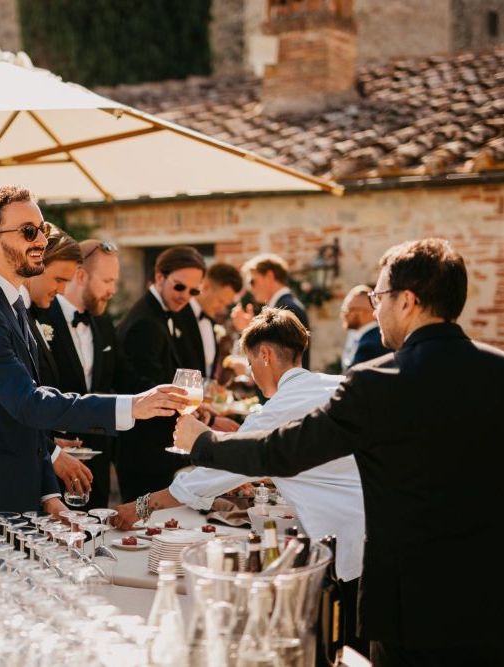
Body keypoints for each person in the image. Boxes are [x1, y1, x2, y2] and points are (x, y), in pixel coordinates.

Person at [174, 238, 504, 667]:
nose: (375, 307)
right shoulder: (497, 369)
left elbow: (284, 450)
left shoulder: (376, 382)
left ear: (407, 301)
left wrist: (202, 442)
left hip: (409, 607)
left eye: (379, 296)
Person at [0, 185, 188, 574]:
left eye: (41, 228)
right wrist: (131, 405)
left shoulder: (12, 306)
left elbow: (22, 421)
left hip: (13, 496)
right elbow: (28, 403)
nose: (41, 240)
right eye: (28, 231)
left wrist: (47, 491)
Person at [113, 307, 366, 652]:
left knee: (339, 647)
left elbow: (207, 479)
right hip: (375, 534)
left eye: (249, 362)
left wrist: (139, 507)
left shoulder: (281, 406)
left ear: (264, 354)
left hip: (348, 547)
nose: (250, 372)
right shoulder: (333, 384)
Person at [34, 238, 145, 508]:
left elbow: (126, 378)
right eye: (107, 281)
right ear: (81, 276)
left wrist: (167, 397)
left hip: (97, 468)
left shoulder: (104, 323)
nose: (112, 290)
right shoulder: (38, 317)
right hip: (53, 468)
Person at [116, 245, 206, 502]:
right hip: (144, 451)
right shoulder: (144, 322)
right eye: (179, 287)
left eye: (194, 290)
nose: (186, 295)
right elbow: (146, 387)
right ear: (159, 277)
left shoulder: (164, 314)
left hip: (157, 447)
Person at [24, 228, 95, 498]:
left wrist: (50, 441)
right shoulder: (8, 316)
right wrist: (50, 451)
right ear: (36, 265)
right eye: (58, 279)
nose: (62, 290)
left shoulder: (32, 313)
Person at [232, 253, 310, 368]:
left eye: (252, 282)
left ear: (269, 276)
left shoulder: (286, 309)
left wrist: (248, 333)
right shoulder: (285, 306)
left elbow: (276, 362)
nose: (250, 288)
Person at [174, 262, 243, 379]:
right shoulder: (177, 315)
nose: (222, 308)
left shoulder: (211, 321)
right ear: (205, 287)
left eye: (226, 304)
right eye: (220, 301)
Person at [340, 284, 388, 371]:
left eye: (349, 309)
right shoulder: (362, 337)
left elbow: (354, 379)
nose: (344, 314)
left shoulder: (369, 345)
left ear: (364, 312)